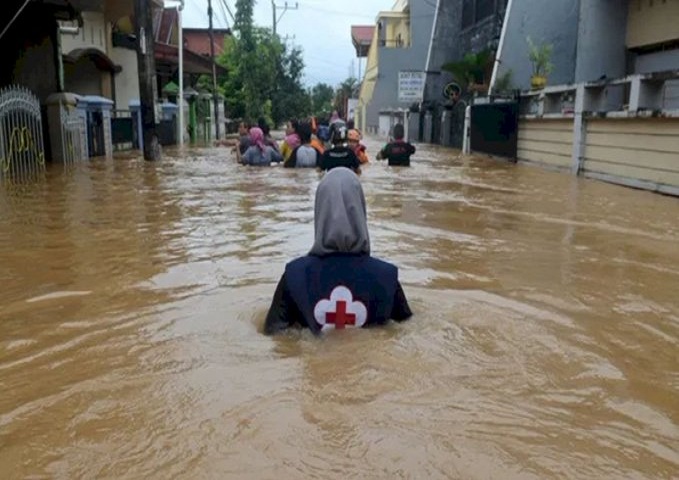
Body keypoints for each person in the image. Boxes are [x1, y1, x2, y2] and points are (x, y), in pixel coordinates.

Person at [263, 167, 412, 334]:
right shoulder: (387, 276)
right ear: (361, 209)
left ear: (320, 210)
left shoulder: (294, 274)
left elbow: (273, 335)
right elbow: (407, 330)